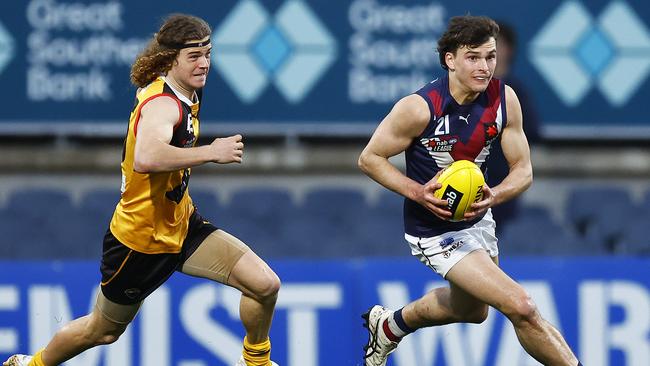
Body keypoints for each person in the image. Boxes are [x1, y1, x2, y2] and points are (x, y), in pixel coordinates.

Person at [4, 14, 280, 366]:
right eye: (194, 56)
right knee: (102, 330)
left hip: (182, 225)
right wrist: (212, 152)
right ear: (171, 59)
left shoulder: (182, 88)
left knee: (265, 285)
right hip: (140, 242)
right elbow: (147, 157)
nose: (205, 63)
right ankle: (32, 365)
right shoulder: (164, 105)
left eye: (208, 53)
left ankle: (256, 361)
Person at [358, 15, 581, 366]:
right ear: (450, 59)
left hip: (477, 220)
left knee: (473, 311)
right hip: (434, 230)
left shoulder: (505, 99)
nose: (484, 66)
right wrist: (416, 192)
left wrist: (497, 194)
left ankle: (389, 325)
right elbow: (370, 159)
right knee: (521, 306)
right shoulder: (419, 107)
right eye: (473, 57)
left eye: (490, 57)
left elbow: (523, 171)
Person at [486, 21, 541, 230]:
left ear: (507, 49)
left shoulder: (516, 93)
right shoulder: (466, 92)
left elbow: (533, 132)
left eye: (494, 44)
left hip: (502, 188)